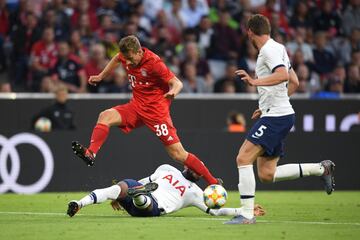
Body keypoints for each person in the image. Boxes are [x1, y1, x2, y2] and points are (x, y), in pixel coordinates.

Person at [224, 14, 335, 225]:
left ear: (249, 31)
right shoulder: (279, 47)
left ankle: (247, 214)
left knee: (243, 158)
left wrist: (255, 81)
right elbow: (294, 81)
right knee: (267, 173)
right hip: (277, 113)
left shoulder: (268, 50)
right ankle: (322, 169)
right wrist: (265, 105)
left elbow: (283, 75)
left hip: (277, 116)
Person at [72, 35, 221, 186]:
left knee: (177, 154)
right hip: (136, 107)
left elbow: (177, 83)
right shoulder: (126, 55)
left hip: (156, 113)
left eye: (130, 58)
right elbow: (117, 58)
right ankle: (91, 153)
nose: (128, 62)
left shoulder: (154, 63)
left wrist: (173, 92)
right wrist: (101, 76)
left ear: (138, 52)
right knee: (105, 116)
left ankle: (213, 181)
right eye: (126, 58)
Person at [67, 164, 265, 218]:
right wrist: (122, 192)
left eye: (198, 171)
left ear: (200, 177)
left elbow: (216, 211)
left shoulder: (195, 192)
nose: (193, 170)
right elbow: (144, 180)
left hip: (153, 208)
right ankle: (79, 204)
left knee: (144, 199)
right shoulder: (166, 168)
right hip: (143, 190)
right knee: (122, 186)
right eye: (192, 166)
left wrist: (243, 210)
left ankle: (138, 196)